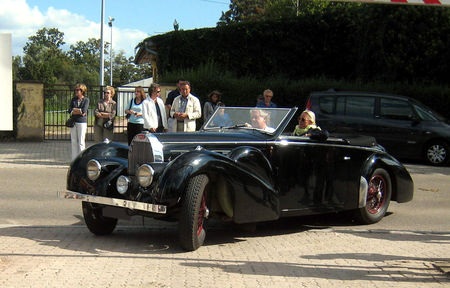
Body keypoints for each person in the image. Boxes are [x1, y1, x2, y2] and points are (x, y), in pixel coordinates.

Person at [68, 83, 89, 160]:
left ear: (82, 91)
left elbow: (83, 111)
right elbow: (69, 110)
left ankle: (81, 159)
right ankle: (74, 159)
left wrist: (75, 110)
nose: (76, 92)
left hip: (82, 122)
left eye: (78, 90)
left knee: (81, 141)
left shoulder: (86, 100)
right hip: (74, 122)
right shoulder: (73, 99)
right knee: (73, 141)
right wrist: (77, 111)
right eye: (75, 90)